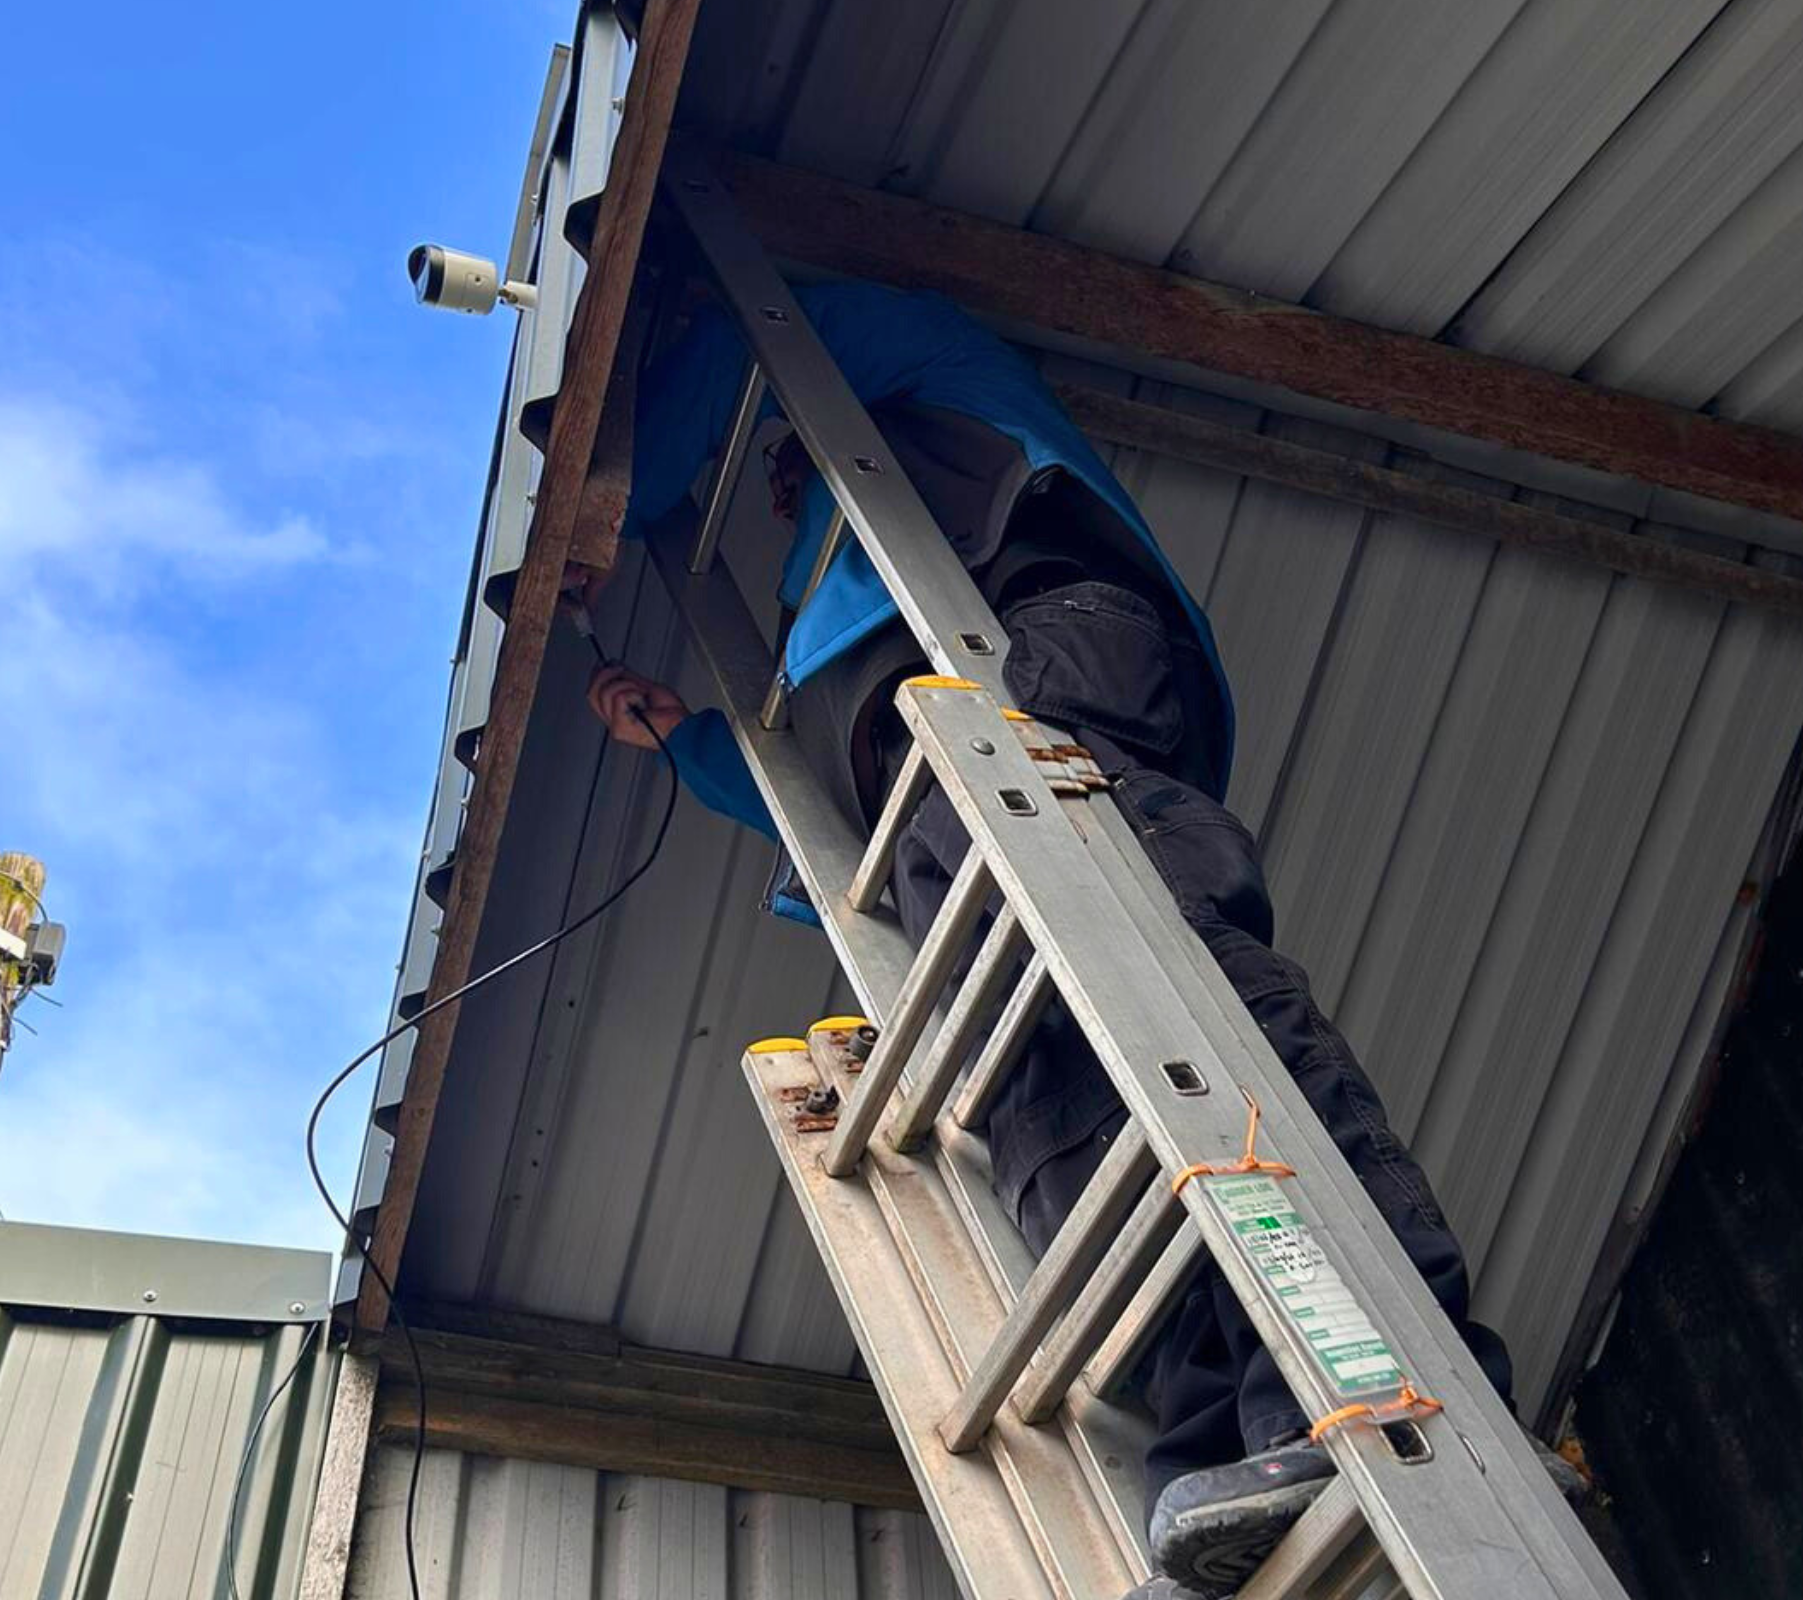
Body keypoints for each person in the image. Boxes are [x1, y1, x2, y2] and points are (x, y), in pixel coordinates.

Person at [575, 281, 1535, 1597]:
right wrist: (679, 739)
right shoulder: (828, 632)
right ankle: (1223, 1454)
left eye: (795, 472)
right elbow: (805, 797)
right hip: (934, 800)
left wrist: (607, 503)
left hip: (1034, 671)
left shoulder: (925, 377)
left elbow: (760, 325)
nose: (789, 488)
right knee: (1050, 1116)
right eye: (785, 486)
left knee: (1163, 983)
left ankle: (1373, 1354)